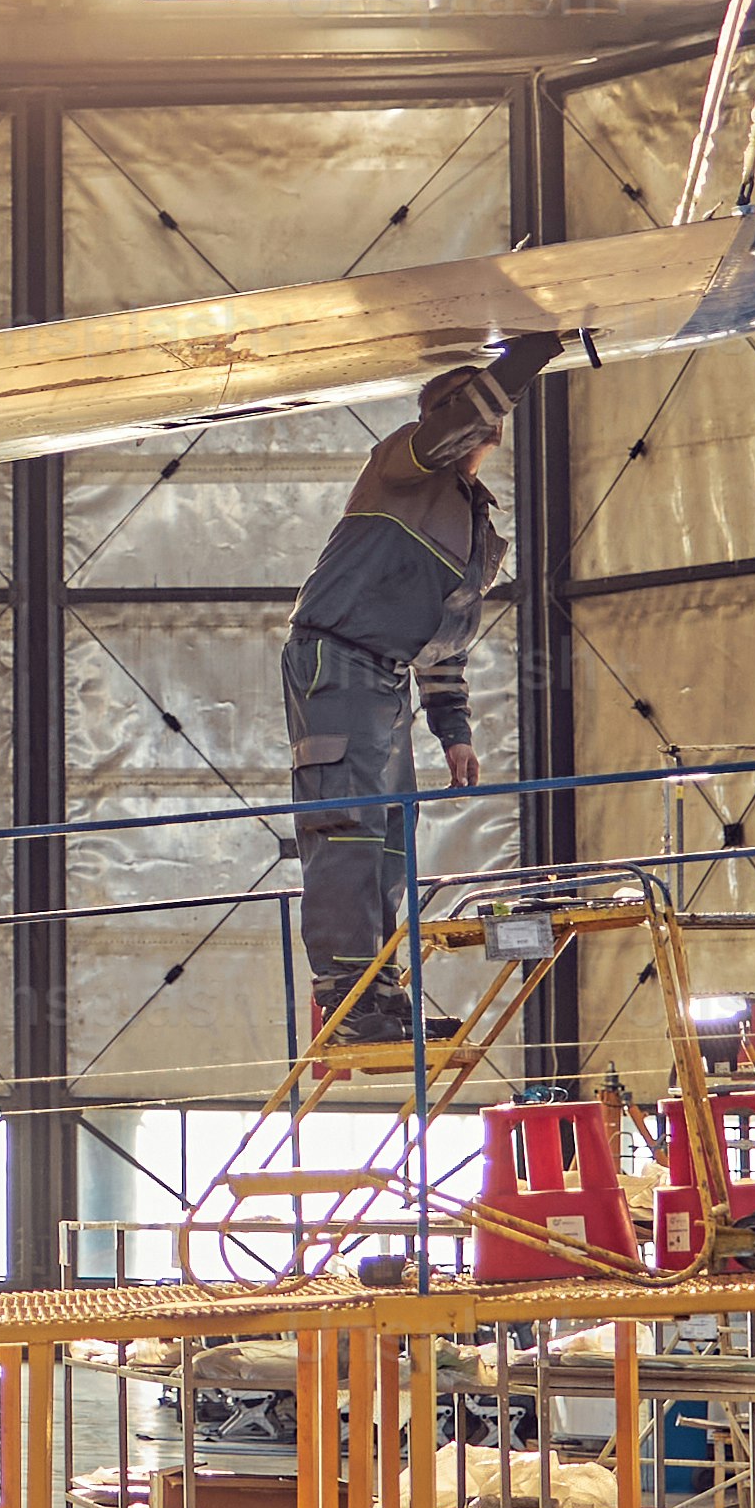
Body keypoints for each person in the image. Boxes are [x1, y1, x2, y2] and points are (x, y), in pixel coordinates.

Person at [283, 361, 508, 1042]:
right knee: (346, 825)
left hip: (387, 677)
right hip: (337, 656)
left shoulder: (474, 525)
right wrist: (528, 356)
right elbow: (443, 430)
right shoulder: (399, 468)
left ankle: (378, 994)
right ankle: (348, 1003)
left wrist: (454, 732)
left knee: (391, 843)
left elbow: (445, 639)